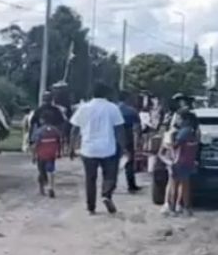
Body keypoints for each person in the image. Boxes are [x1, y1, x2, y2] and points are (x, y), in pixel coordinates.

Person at [70, 82, 125, 215]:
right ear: (106, 94)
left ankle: (91, 207)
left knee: (90, 179)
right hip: (108, 148)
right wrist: (123, 146)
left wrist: (72, 147)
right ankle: (106, 194)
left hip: (88, 149)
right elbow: (119, 130)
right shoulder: (113, 108)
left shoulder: (84, 108)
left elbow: (75, 129)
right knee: (110, 175)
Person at [163, 110, 200, 216]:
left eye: (179, 119)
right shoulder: (194, 131)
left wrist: (168, 143)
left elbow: (175, 145)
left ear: (185, 120)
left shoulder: (183, 132)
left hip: (178, 160)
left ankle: (172, 208)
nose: (177, 121)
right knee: (185, 184)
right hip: (188, 161)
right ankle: (186, 208)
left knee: (174, 184)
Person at [31, 112, 63, 198]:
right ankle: (51, 187)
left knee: (41, 171)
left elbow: (35, 144)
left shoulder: (39, 131)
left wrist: (33, 156)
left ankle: (41, 189)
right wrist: (59, 153)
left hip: (41, 155)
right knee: (51, 171)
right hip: (51, 154)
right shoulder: (55, 130)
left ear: (42, 120)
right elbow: (59, 142)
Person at [117, 90, 143, 193]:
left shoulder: (114, 109)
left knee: (112, 162)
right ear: (127, 98)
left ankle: (110, 184)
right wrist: (138, 141)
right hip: (128, 137)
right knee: (129, 162)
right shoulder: (131, 111)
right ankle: (131, 185)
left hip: (113, 138)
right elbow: (137, 128)